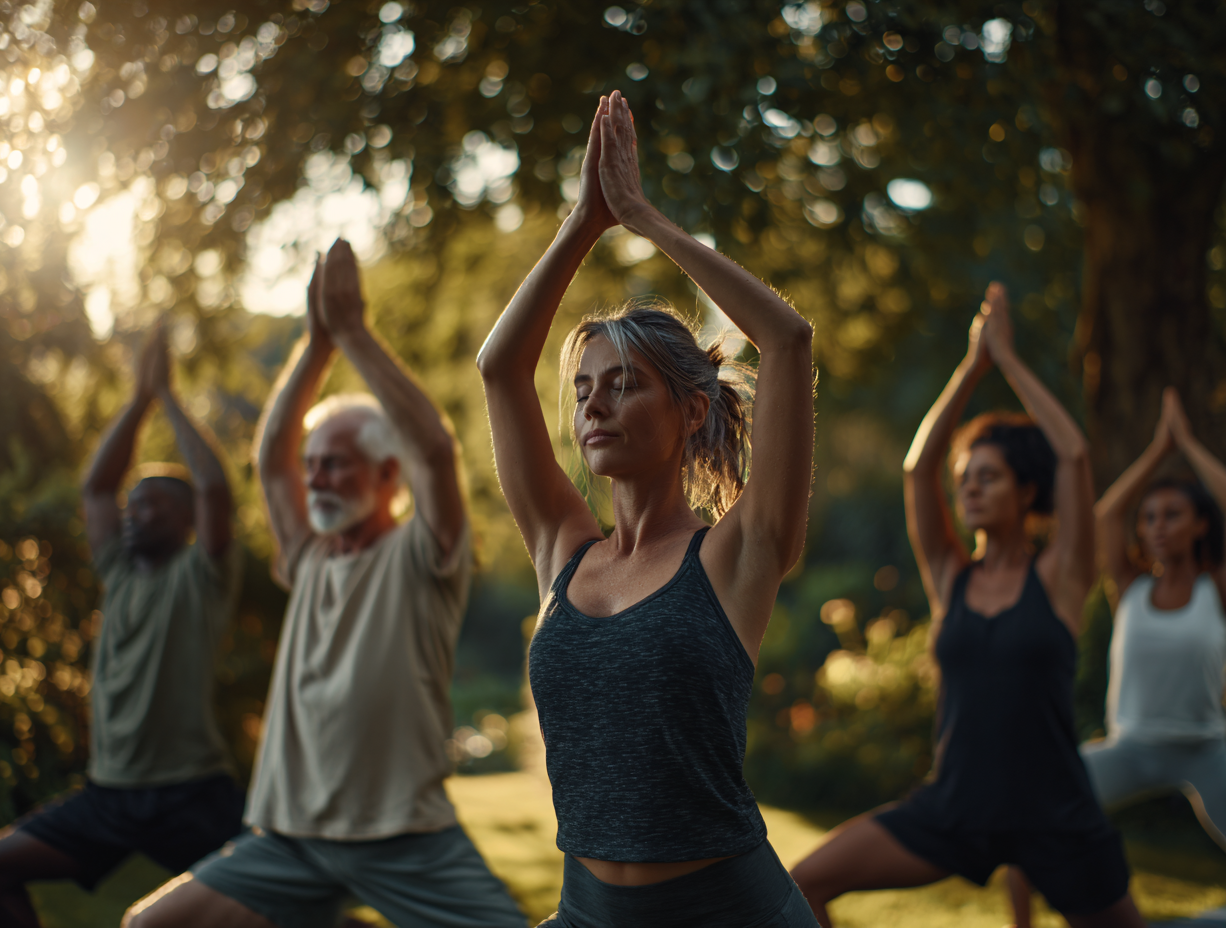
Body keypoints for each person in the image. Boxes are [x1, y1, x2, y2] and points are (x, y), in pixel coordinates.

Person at [477, 90, 817, 928]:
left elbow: (787, 341)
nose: (593, 406)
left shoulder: (738, 555)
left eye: (624, 385)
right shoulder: (563, 548)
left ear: (691, 411)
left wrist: (643, 219)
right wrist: (583, 224)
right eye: (585, 389)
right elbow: (499, 368)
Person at [125, 241, 525, 928]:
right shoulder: (307, 557)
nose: (316, 480)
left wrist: (354, 336)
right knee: (148, 926)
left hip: (406, 839)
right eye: (315, 466)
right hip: (289, 839)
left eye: (337, 465)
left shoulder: (426, 554)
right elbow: (272, 459)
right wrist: (314, 345)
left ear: (386, 476)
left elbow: (434, 445)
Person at [788, 285, 1146, 928]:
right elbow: (918, 469)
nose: (970, 487)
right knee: (800, 886)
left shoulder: (1062, 574)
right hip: (954, 809)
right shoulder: (950, 575)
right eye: (966, 479)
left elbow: (1074, 454)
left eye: (989, 475)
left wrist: (1006, 362)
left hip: (1056, 816)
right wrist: (971, 365)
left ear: (1025, 490)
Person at [0, 324, 245, 927]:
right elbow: (97, 486)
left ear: (187, 523)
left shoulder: (202, 574)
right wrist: (137, 399)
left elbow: (214, 487)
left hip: (193, 795)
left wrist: (169, 400)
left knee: (284, 908)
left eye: (155, 504)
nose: (135, 514)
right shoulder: (119, 571)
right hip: (110, 795)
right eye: (134, 506)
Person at [1007, 387, 1226, 927]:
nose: (1156, 526)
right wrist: (1157, 450)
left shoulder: (1215, 589)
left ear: (1201, 524)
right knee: (1029, 813)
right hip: (1131, 745)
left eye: (1173, 515)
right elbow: (1106, 517)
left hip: (1206, 747)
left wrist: (1190, 445)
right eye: (1150, 516)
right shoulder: (1127, 586)